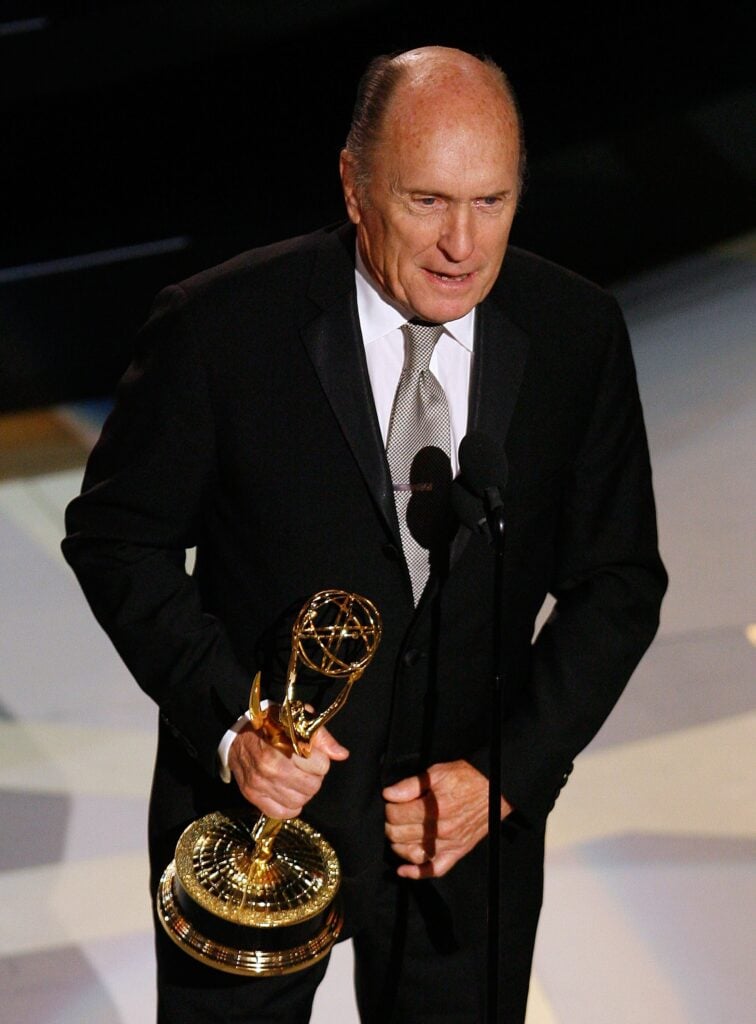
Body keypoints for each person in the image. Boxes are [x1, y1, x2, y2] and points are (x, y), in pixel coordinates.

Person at [62, 46, 667, 1023]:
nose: (463, 245)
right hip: (253, 831)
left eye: (493, 202)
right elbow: (116, 539)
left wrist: (509, 775)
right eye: (427, 201)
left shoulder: (575, 331)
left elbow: (619, 581)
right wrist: (231, 727)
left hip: (465, 833)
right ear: (354, 184)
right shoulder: (221, 328)